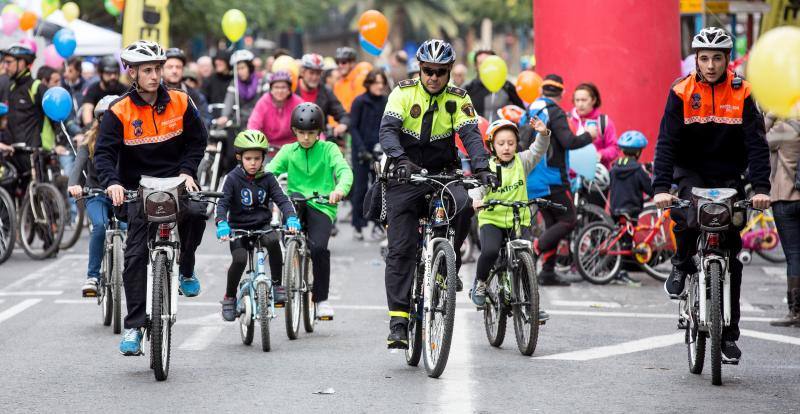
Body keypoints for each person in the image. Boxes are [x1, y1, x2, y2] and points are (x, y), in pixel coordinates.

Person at [653, 27, 771, 363]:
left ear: (726, 59)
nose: (710, 65)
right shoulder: (680, 91)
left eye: (716, 58)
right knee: (687, 217)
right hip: (690, 171)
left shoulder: (743, 91)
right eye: (704, 58)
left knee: (731, 254)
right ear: (696, 60)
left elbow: (757, 145)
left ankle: (728, 335)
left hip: (729, 175)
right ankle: (681, 264)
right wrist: (661, 188)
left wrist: (761, 189)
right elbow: (666, 143)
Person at [379, 39, 497, 349]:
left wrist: (482, 167)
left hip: (443, 173)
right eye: (428, 71)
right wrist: (399, 160)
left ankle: (448, 262)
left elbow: (471, 136)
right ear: (420, 69)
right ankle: (399, 321)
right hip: (404, 174)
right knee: (401, 249)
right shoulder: (403, 92)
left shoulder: (459, 97)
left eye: (440, 72)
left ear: (449, 72)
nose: (433, 77)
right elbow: (388, 132)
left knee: (463, 204)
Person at [95, 40, 208, 356]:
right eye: (147, 70)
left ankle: (186, 268)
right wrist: (113, 183)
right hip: (138, 189)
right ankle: (133, 326)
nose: (155, 75)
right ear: (132, 72)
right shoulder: (119, 110)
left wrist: (187, 171)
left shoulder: (181, 101)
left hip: (176, 181)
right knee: (133, 257)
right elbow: (104, 154)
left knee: (198, 213)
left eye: (158, 68)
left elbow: (198, 141)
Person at [266, 102, 353, 320]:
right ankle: (288, 271)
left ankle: (321, 300)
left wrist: (339, 190)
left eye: (311, 133)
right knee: (282, 239)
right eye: (301, 132)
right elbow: (269, 172)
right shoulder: (288, 151)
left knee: (319, 249)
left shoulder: (329, 149)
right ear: (294, 131)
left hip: (322, 204)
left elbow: (344, 171)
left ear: (319, 132)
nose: (306, 138)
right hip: (295, 203)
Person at [522, 74, 598, 286]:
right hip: (551, 178)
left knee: (553, 224)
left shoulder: (530, 110)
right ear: (563, 93)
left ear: (542, 90)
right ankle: (535, 248)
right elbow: (568, 141)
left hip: (531, 176)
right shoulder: (554, 112)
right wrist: (589, 135)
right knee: (568, 219)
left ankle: (547, 272)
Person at [215, 130, 300, 321]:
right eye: (248, 158)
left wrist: (291, 218)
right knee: (239, 260)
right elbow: (222, 204)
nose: (253, 163)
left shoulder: (268, 177)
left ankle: (277, 284)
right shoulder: (232, 178)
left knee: (274, 242)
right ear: (239, 157)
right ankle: (229, 297)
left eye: (257, 158)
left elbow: (282, 200)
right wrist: (222, 223)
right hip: (238, 228)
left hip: (262, 226)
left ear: (263, 158)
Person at [469, 118, 551, 317]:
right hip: (492, 220)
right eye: (501, 143)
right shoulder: (487, 168)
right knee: (490, 251)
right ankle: (480, 283)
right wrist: (475, 200)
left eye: (511, 143)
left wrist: (543, 134)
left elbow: (538, 150)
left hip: (518, 220)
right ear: (492, 146)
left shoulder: (523, 161)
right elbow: (476, 189)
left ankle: (531, 305)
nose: (506, 148)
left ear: (516, 144)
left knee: (527, 259)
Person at [67, 95, 123, 297]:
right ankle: (92, 277)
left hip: (123, 195)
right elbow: (78, 166)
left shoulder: (130, 140)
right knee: (99, 226)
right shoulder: (89, 140)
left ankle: (135, 271)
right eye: (105, 118)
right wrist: (74, 185)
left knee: (132, 228)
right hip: (96, 193)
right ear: (98, 120)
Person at [1, 44, 55, 195]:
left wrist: (59, 143)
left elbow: (54, 116)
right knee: (9, 193)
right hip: (12, 151)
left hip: (32, 152)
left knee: (38, 194)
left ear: (22, 63)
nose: (5, 66)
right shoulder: (10, 87)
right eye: (4, 62)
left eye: (9, 62)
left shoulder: (37, 87)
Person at [765, 114, 800, 327]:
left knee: (794, 255)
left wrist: (770, 115)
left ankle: (795, 311)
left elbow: (758, 140)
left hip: (786, 197)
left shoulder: (784, 129)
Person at [608, 131, 653, 285]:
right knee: (626, 243)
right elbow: (650, 188)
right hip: (631, 211)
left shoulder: (614, 167)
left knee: (619, 240)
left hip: (615, 209)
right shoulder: (638, 170)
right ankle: (620, 273)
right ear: (638, 152)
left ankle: (614, 270)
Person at [348, 69, 389, 240]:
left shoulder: (386, 101)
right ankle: (358, 225)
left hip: (379, 150)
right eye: (376, 82)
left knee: (380, 189)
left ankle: (378, 225)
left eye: (381, 83)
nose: (379, 86)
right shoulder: (359, 101)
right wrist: (361, 149)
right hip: (361, 151)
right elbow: (353, 127)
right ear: (369, 84)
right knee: (360, 189)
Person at [247, 71, 304, 151]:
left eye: (283, 87)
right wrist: (254, 140)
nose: (280, 91)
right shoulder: (264, 102)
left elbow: (308, 121)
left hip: (293, 149)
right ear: (271, 90)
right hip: (269, 148)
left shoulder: (297, 102)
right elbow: (253, 124)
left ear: (289, 90)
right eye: (276, 87)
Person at [463, 49, 526, 121]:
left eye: (488, 63)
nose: (484, 66)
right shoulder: (469, 88)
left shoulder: (507, 86)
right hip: (477, 127)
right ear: (475, 66)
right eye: (480, 63)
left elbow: (521, 111)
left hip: (502, 127)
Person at [296, 53, 349, 137]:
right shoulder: (292, 89)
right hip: (293, 138)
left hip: (319, 138)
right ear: (302, 72)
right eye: (311, 73)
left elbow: (341, 113)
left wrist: (343, 124)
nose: (314, 77)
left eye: (318, 73)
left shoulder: (325, 91)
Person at [568, 83, 618, 169]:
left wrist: (600, 154)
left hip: (595, 172)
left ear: (594, 100)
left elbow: (614, 148)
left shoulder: (603, 122)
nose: (580, 104)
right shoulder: (567, 120)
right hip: (570, 174)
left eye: (584, 100)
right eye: (577, 100)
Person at [216, 49, 265, 128]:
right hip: (241, 122)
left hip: (259, 122)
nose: (240, 72)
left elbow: (267, 102)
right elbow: (229, 100)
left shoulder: (261, 81)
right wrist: (224, 116)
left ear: (250, 67)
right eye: (237, 69)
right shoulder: (234, 83)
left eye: (242, 68)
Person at [163, 48, 211, 130]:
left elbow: (204, 122)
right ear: (162, 70)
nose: (174, 71)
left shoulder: (194, 95)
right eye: (170, 67)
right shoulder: (154, 93)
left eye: (178, 67)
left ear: (183, 70)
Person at [81, 55, 128, 126]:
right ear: (100, 73)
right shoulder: (93, 89)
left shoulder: (125, 90)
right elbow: (87, 110)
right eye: (108, 73)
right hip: (97, 126)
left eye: (115, 73)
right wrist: (90, 127)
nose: (113, 76)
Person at [332, 47, 364, 113]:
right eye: (337, 62)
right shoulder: (337, 84)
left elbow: (359, 107)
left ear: (352, 63)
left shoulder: (359, 80)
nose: (340, 65)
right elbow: (334, 108)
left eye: (343, 62)